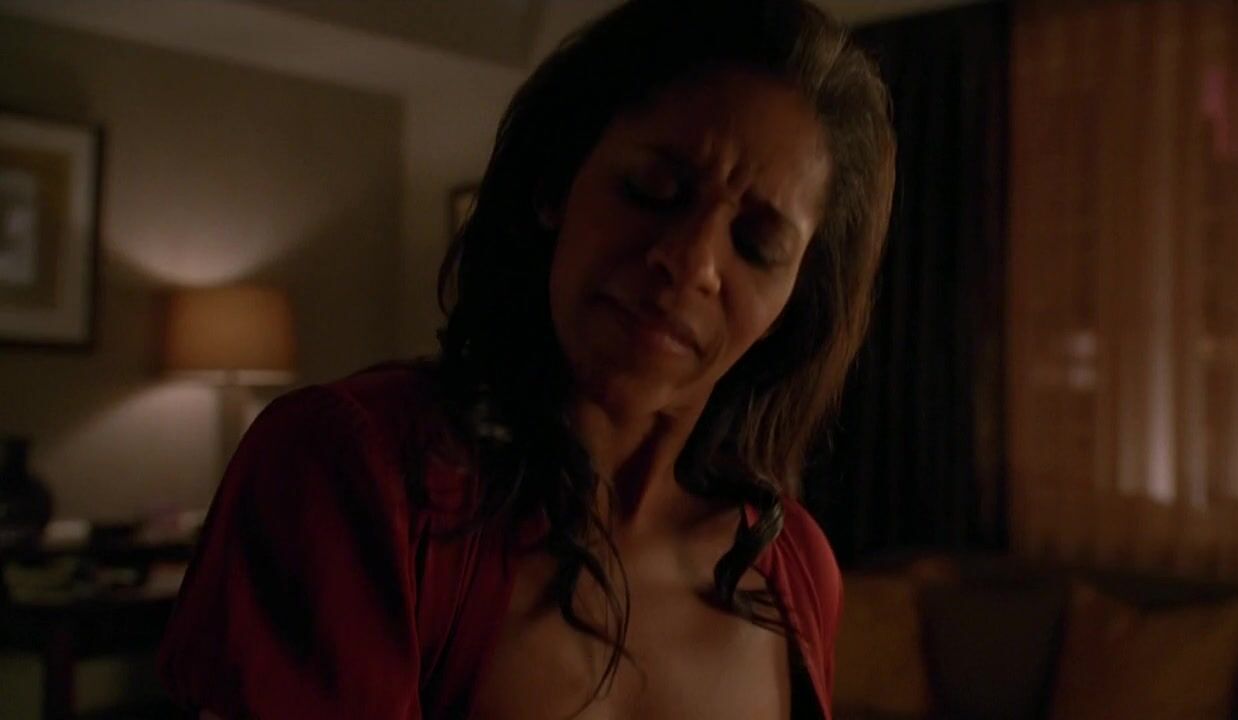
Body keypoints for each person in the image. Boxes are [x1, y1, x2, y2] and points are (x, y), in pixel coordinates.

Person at [158, 0, 895, 717]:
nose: (693, 262)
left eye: (758, 244)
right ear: (555, 184)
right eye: (655, 190)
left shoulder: (794, 566)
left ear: (792, 301)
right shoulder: (354, 469)